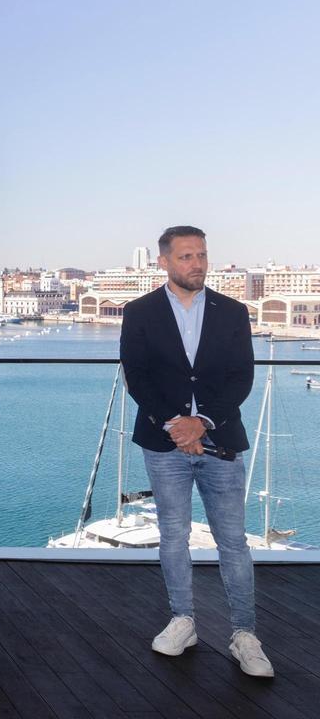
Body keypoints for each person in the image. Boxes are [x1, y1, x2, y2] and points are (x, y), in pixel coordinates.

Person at [120, 226, 272, 677]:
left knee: (233, 543)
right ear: (164, 261)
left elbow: (240, 377)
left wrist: (201, 423)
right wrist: (178, 426)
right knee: (172, 536)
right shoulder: (139, 312)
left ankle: (245, 634)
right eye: (186, 256)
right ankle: (182, 620)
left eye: (202, 255)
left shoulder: (232, 312)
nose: (197, 264)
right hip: (163, 443)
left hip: (220, 440)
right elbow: (138, 376)